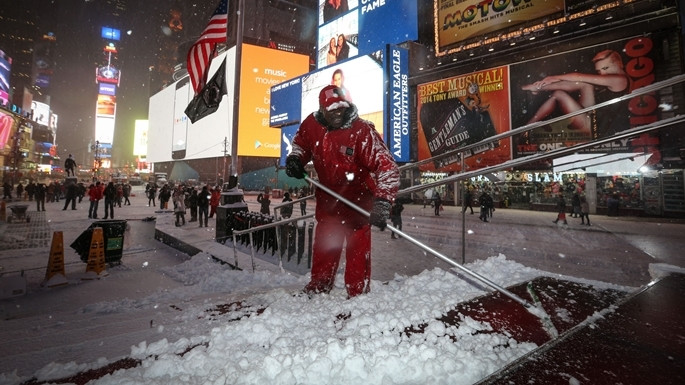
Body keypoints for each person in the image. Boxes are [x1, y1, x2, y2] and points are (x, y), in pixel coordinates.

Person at [285, 84, 400, 297]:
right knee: (324, 249)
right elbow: (301, 144)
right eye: (332, 110)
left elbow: (387, 167)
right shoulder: (311, 125)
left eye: (341, 109)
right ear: (322, 110)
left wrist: (383, 201)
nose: (338, 114)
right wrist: (295, 158)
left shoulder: (362, 131)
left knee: (357, 254)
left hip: (358, 204)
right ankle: (319, 287)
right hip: (329, 203)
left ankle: (357, 293)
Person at [521, 49, 630, 136]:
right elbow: (580, 81)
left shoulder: (620, 80)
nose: (602, 73)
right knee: (586, 84)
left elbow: (579, 76)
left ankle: (527, 127)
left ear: (618, 63)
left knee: (559, 94)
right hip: (590, 117)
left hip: (593, 128)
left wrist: (554, 77)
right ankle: (539, 88)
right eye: (599, 71)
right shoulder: (619, 79)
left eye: (605, 68)